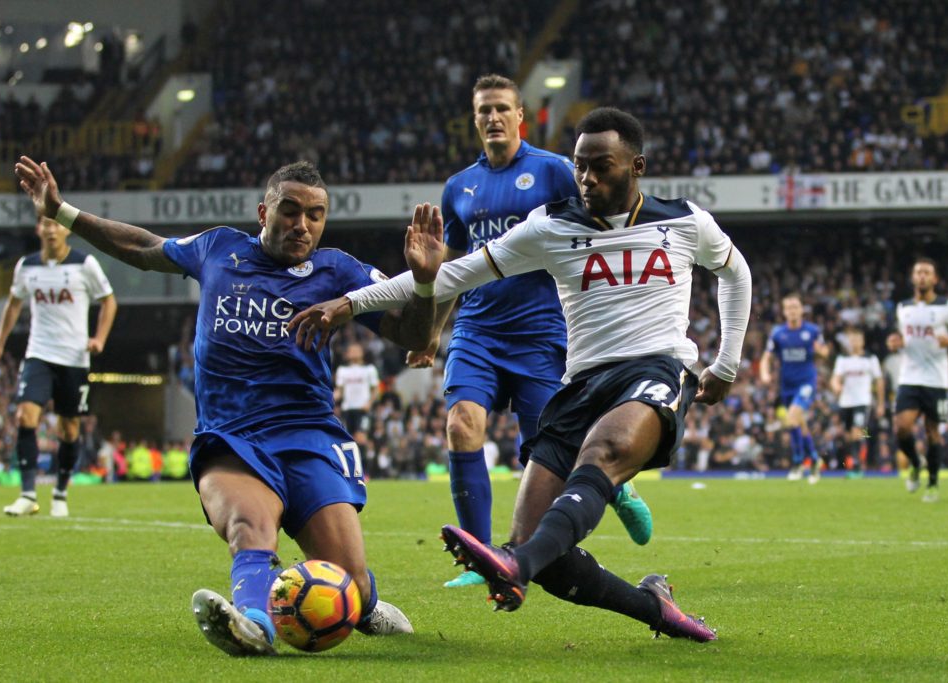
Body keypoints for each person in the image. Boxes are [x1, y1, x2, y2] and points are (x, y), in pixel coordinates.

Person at [293, 107, 752, 642]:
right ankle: (654, 607)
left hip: (656, 369)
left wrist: (726, 363)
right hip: (580, 386)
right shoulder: (550, 226)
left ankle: (514, 565)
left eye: (601, 166)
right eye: (580, 166)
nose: (587, 178)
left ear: (637, 166)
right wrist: (350, 303)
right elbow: (455, 276)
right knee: (545, 548)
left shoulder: (685, 221)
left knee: (604, 449)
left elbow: (735, 272)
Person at [14, 156, 440, 655]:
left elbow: (412, 336)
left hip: (308, 436)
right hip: (231, 437)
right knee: (248, 527)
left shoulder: (339, 270)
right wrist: (62, 212)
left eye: (315, 215)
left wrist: (426, 282)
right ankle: (254, 624)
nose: (302, 224)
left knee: (351, 581)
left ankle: (365, 605)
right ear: (264, 212)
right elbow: (145, 247)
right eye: (289, 210)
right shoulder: (219, 248)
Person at [411, 73, 653, 588]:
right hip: (476, 329)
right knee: (460, 425)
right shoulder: (459, 187)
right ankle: (478, 557)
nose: (493, 118)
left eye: (502, 108)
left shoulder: (555, 171)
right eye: (484, 111)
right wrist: (433, 332)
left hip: (542, 330)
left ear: (522, 116)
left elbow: (601, 218)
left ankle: (617, 489)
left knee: (547, 450)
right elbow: (451, 265)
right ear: (474, 120)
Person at [0, 206, 117, 518]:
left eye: (56, 225)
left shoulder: (85, 264)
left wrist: (99, 339)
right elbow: (13, 303)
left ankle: (60, 493)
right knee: (25, 417)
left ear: (66, 229)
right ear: (38, 229)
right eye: (44, 224)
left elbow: (108, 300)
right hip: (38, 353)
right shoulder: (27, 267)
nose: (51, 230)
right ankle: (27, 494)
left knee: (69, 430)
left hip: (74, 358)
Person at [894, 257, 948, 502]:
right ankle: (916, 464)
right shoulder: (903, 307)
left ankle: (933, 483)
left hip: (937, 380)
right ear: (913, 278)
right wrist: (895, 343)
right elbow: (903, 339)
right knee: (902, 427)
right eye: (918, 272)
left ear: (935, 279)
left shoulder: (947, 306)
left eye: (927, 272)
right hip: (909, 376)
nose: (922, 276)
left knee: (932, 432)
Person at [759, 293, 829, 483]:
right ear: (784, 311)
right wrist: (764, 373)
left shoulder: (813, 331)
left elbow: (824, 353)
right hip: (786, 385)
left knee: (792, 418)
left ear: (801, 309)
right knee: (797, 424)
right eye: (788, 307)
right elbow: (767, 356)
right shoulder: (778, 333)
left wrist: (821, 352)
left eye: (795, 307)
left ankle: (800, 462)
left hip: (806, 383)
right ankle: (812, 460)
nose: (792, 311)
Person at [830, 329, 884, 477]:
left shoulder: (870, 358)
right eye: (851, 340)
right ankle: (854, 460)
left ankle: (857, 466)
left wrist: (880, 403)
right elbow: (835, 378)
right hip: (846, 402)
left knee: (857, 431)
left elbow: (879, 381)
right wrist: (836, 386)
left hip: (862, 401)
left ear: (862, 341)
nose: (854, 343)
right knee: (849, 435)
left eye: (857, 339)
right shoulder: (842, 359)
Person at [334, 343, 379, 435]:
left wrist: (369, 403)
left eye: (356, 350)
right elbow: (340, 391)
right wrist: (329, 399)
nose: (354, 352)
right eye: (351, 350)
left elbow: (375, 390)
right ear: (347, 354)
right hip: (347, 410)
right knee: (348, 438)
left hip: (362, 409)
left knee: (361, 437)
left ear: (362, 352)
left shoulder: (370, 369)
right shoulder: (342, 370)